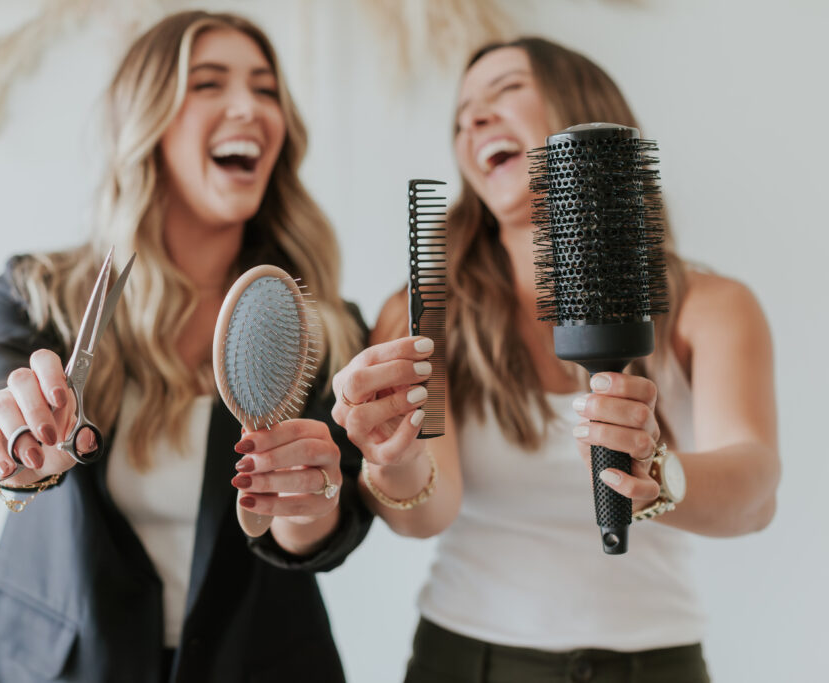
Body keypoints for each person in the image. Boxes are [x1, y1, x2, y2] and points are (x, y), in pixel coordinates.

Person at [331, 37, 779, 683]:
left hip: (657, 662)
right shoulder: (425, 311)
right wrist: (392, 460)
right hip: (466, 659)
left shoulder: (713, 307)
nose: (475, 120)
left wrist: (658, 472)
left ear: (582, 111)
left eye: (505, 90)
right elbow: (431, 510)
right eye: (462, 115)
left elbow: (756, 493)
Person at [0, 11, 370, 683]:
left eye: (266, 89)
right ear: (148, 122)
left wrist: (309, 501)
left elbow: (318, 533)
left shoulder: (323, 327)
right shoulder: (35, 293)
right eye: (208, 84)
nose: (249, 107)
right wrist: (9, 438)